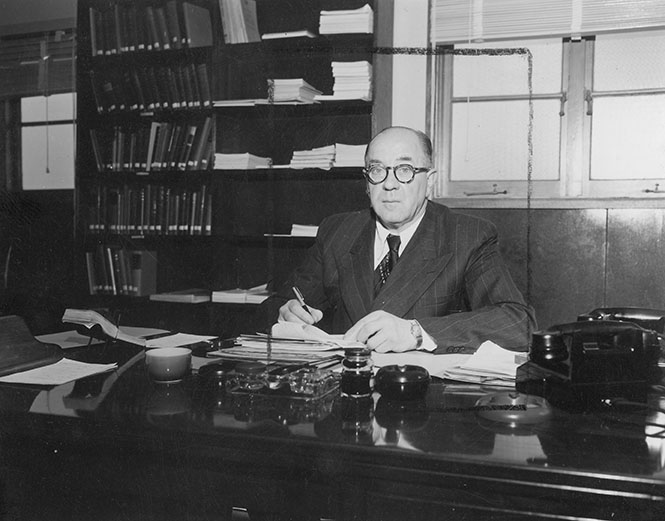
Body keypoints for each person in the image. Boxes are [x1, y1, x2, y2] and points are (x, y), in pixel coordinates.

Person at [260, 126, 535, 354]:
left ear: (429, 182)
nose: (389, 184)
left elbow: (518, 324)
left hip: (423, 401)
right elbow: (279, 304)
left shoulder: (468, 236)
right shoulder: (338, 231)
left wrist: (416, 332)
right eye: (377, 171)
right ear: (367, 183)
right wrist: (287, 314)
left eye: (404, 170)